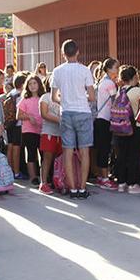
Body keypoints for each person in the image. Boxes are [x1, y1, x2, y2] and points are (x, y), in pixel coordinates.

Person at [51, 40, 95, 199]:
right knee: (84, 150)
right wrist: (81, 97)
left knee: (67, 151)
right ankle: (83, 188)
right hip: (83, 112)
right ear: (78, 52)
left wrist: (64, 99)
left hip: (66, 112)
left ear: (63, 54)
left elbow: (53, 97)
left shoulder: (57, 71)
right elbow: (91, 96)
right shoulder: (84, 70)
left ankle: (72, 188)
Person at [114, 66, 140, 194]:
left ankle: (121, 183)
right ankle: (133, 184)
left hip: (119, 127)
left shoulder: (119, 91)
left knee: (121, 155)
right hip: (135, 127)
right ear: (135, 77)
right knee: (133, 155)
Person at [93, 58, 119, 190]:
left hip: (99, 118)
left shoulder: (101, 82)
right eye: (116, 68)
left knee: (100, 148)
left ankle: (100, 175)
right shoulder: (110, 84)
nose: (117, 70)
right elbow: (116, 102)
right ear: (108, 69)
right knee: (105, 149)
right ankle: (104, 178)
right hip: (105, 118)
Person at [17, 75, 44, 186]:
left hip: (42, 129)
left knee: (43, 154)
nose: (32, 86)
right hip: (29, 130)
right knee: (31, 153)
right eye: (30, 84)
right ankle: (33, 177)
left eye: (34, 83)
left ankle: (44, 176)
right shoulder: (25, 99)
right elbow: (18, 115)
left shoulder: (43, 98)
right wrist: (29, 117)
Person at [38, 76, 62, 194]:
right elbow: (44, 113)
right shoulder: (45, 97)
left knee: (59, 159)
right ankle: (43, 183)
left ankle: (58, 180)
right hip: (49, 132)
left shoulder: (63, 97)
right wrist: (59, 120)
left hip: (61, 133)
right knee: (47, 158)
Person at [4, 73, 27, 178]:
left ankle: (9, 169)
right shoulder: (20, 95)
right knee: (16, 148)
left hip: (9, 123)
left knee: (10, 146)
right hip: (18, 124)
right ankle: (16, 172)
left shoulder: (11, 93)